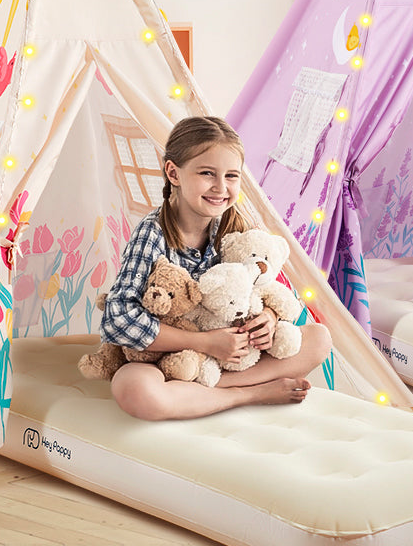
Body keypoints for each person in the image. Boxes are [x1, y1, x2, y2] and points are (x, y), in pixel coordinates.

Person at [102, 116, 332, 420]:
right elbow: (116, 319)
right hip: (166, 357)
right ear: (174, 173)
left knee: (319, 339)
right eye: (207, 173)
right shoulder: (153, 233)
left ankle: (208, 388)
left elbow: (274, 288)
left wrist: (269, 318)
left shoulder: (235, 226)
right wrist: (205, 342)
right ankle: (248, 393)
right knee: (135, 389)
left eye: (231, 176)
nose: (220, 188)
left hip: (225, 356)